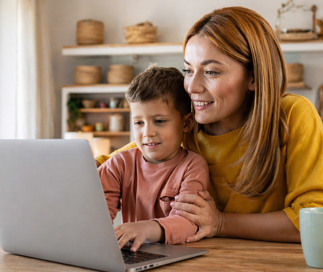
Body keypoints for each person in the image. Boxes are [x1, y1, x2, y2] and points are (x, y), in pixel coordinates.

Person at [96, 7, 323, 244]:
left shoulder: (291, 116)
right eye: (188, 70)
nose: (192, 87)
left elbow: (313, 221)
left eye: (211, 71)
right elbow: (114, 161)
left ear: (253, 77)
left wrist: (221, 222)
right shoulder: (186, 125)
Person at [98, 66, 209, 252]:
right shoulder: (119, 164)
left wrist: (146, 228)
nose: (147, 133)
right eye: (139, 123)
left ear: (186, 123)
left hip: (177, 256)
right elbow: (97, 212)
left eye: (159, 121)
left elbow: (189, 222)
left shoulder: (193, 166)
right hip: (133, 255)